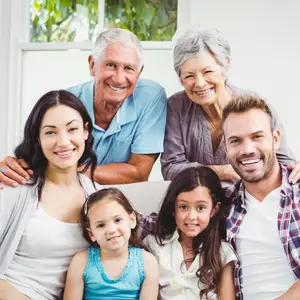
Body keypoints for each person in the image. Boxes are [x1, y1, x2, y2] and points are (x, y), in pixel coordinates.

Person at [0, 28, 167, 186]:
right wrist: (12, 168)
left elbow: (139, 172)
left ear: (139, 72)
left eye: (129, 68)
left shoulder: (151, 97)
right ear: (92, 65)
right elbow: (32, 159)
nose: (118, 78)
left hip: (119, 201)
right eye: (110, 65)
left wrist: (69, 169)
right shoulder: (63, 104)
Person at [160, 24, 300, 183]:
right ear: (180, 78)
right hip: (198, 203)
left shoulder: (256, 106)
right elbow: (171, 169)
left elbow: (285, 163)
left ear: (226, 66)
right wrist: (221, 171)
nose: (199, 83)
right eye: (189, 75)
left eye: (208, 72)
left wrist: (296, 168)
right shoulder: (176, 107)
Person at [0, 90, 100, 299]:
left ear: (85, 131)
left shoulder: (97, 196)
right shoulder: (16, 186)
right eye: (50, 132)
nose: (63, 142)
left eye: (72, 129)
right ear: (38, 137)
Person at [222, 95, 300, 300]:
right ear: (225, 147)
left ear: (275, 139)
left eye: (257, 137)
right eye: (236, 141)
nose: (247, 150)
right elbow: (164, 222)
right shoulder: (223, 204)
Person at [144, 166, 237, 299]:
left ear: (214, 210)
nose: (191, 216)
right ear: (173, 209)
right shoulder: (153, 245)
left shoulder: (224, 252)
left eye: (200, 208)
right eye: (183, 207)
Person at [63, 188, 158, 300]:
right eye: (101, 225)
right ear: (91, 234)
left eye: (117, 220)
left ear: (132, 220)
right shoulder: (81, 262)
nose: (111, 230)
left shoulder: (147, 262)